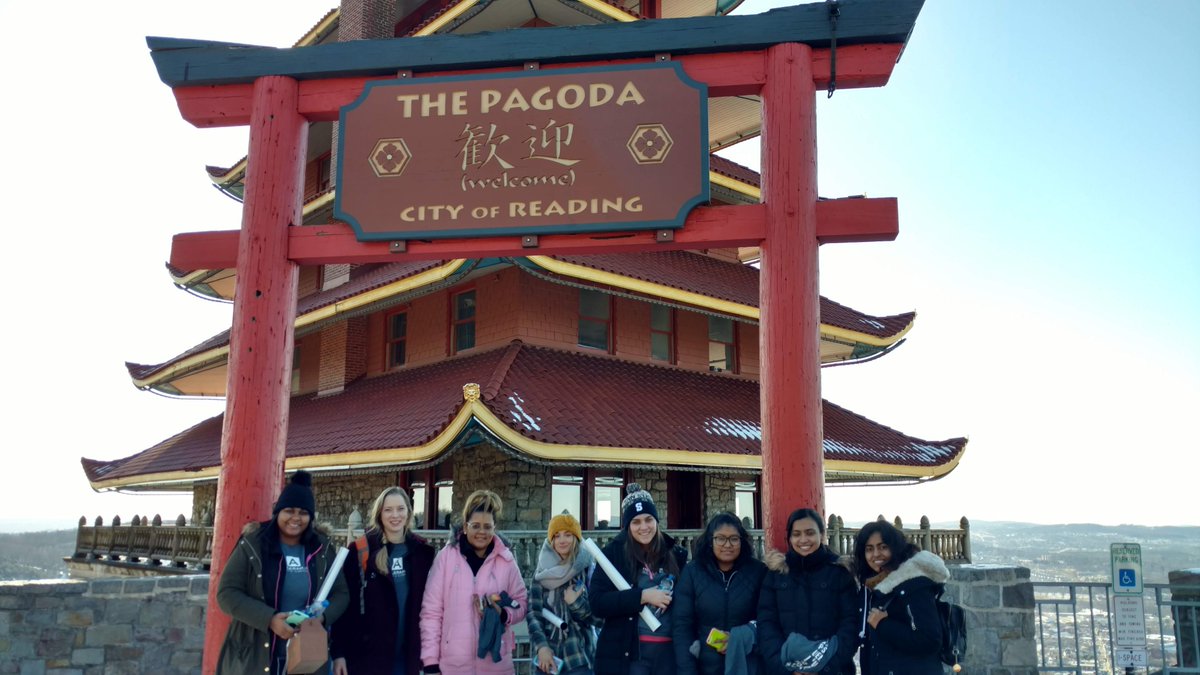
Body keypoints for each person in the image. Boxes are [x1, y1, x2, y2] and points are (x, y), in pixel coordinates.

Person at [216, 470, 350, 675]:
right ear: (278, 511)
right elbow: (227, 593)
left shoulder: (321, 548)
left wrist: (320, 619)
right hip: (255, 652)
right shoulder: (254, 543)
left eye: (303, 513)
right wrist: (269, 619)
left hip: (307, 654)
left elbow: (341, 593)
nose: (296, 518)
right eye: (289, 510)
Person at [420, 489, 529, 675]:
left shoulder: (506, 561)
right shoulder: (445, 559)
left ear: (494, 528)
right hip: (453, 666)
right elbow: (431, 613)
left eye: (488, 527)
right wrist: (430, 661)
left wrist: (504, 614)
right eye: (476, 525)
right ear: (465, 526)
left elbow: (522, 602)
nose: (482, 532)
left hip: (496, 665)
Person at [332, 486, 436, 675]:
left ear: (409, 511)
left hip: (409, 657)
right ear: (380, 513)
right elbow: (345, 606)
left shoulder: (423, 553)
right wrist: (338, 652)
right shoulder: (360, 551)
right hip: (368, 657)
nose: (395, 515)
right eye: (388, 510)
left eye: (400, 509)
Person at [591, 483, 688, 675]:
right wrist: (641, 596)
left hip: (669, 654)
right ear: (627, 526)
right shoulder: (612, 555)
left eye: (648, 519)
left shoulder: (677, 555)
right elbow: (597, 603)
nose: (644, 527)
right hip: (630, 655)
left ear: (656, 521)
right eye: (636, 522)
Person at [756, 508, 857, 675]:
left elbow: (849, 624)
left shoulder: (839, 573)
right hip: (787, 667)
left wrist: (823, 668)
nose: (803, 539)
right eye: (796, 534)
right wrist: (785, 668)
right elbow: (766, 623)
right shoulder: (776, 573)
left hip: (832, 669)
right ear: (789, 537)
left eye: (810, 533)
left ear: (822, 535)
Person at [672, 512, 767, 675]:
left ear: (742, 542)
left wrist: (739, 638)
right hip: (703, 666)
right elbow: (682, 626)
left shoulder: (758, 572)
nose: (727, 545)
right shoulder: (693, 572)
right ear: (710, 541)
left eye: (734, 539)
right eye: (720, 538)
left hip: (748, 665)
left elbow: (767, 620)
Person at [852, 520, 950, 674]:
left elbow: (930, 640)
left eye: (883, 547)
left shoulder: (913, 583)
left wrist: (883, 624)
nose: (876, 554)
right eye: (869, 549)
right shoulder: (874, 585)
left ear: (895, 547)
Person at [526, 512, 596, 675]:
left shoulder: (588, 570)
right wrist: (541, 647)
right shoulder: (541, 575)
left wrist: (576, 604)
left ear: (576, 538)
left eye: (567, 534)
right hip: (547, 661)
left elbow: (599, 617)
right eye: (556, 536)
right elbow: (533, 614)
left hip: (580, 659)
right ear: (551, 541)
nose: (562, 540)